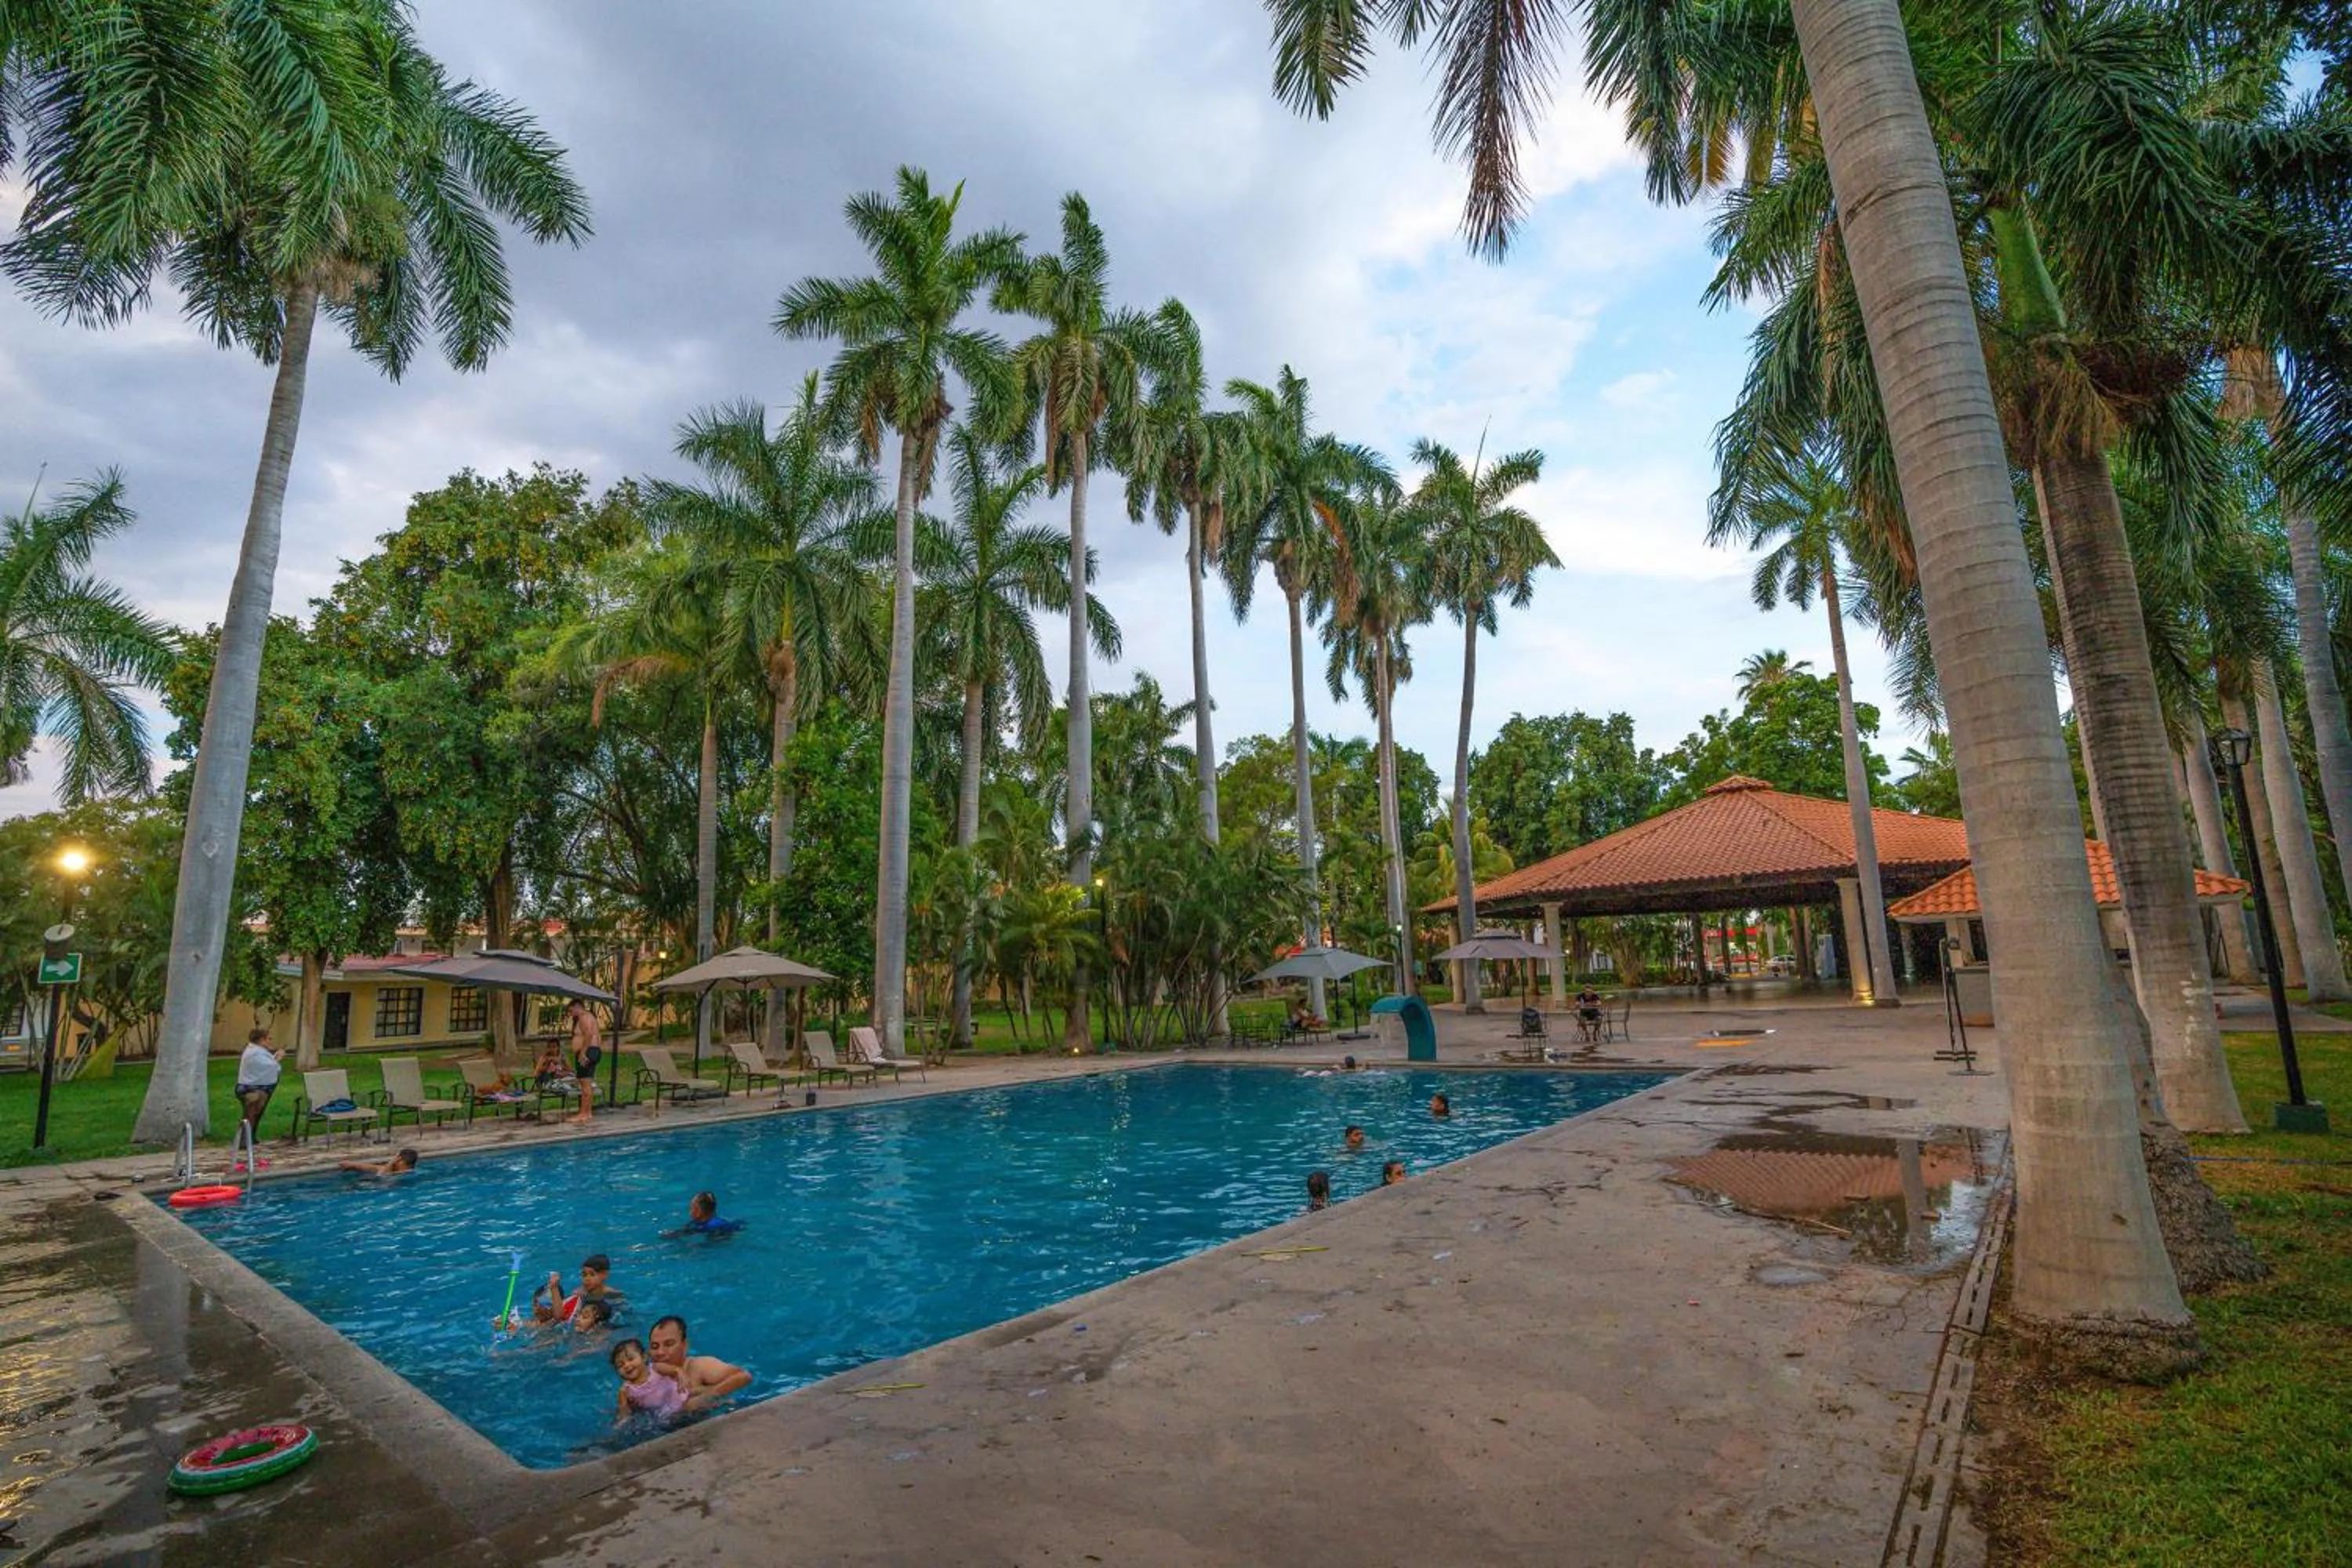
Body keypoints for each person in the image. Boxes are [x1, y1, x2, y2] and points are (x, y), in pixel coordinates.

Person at [648, 1314, 752, 1412]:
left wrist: (704, 1398)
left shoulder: (698, 1367)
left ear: (685, 1345)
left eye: (669, 1344)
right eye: (655, 1346)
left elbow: (742, 1376)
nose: (660, 1352)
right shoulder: (646, 1376)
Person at [233, 1028, 283, 1164]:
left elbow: (267, 1065)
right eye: (268, 1038)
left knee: (256, 1113)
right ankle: (244, 1139)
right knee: (252, 1112)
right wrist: (278, 1058)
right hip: (250, 1089)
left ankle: (250, 1137)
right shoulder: (254, 1053)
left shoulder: (257, 1051)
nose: (270, 1041)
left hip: (259, 1088)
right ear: (261, 1040)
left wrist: (274, 1059)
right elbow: (271, 1067)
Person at [610, 1338, 687, 1425]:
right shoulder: (625, 1391)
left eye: (631, 1359)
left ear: (644, 1357)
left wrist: (682, 1380)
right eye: (620, 1365)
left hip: (681, 1400)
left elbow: (677, 1371)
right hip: (662, 1416)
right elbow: (624, 1414)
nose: (626, 1366)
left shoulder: (656, 1369)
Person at [564, 1000, 603, 1126]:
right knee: (587, 1083)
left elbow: (588, 1035)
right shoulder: (590, 1017)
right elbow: (596, 1036)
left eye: (571, 1011)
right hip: (593, 1051)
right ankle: (588, 1112)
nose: (570, 1014)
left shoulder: (583, 1017)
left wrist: (583, 1052)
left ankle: (583, 1114)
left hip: (587, 1052)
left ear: (578, 1007)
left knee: (584, 1084)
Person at [666, 1190, 745, 1239]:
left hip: (721, 1235)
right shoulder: (699, 1223)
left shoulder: (709, 1226)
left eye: (691, 1208)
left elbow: (689, 1231)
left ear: (698, 1211)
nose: (690, 1211)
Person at [339, 1147, 418, 1178]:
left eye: (397, 1161)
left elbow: (381, 1176)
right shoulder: (392, 1169)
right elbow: (373, 1168)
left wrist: (391, 1162)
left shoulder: (406, 1175)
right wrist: (352, 1164)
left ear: (403, 1163)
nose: (395, 1163)